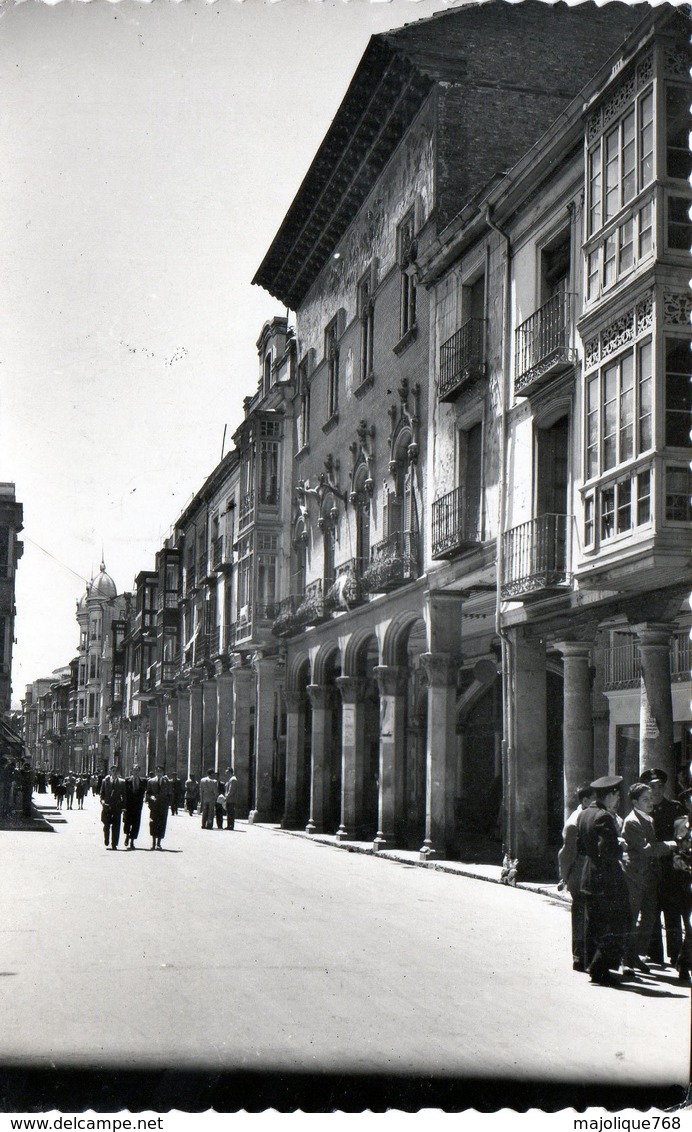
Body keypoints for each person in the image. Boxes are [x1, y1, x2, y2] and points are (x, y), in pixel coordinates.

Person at [576, 775, 631, 984]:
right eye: (616, 796)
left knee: (594, 924)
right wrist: (620, 847)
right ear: (609, 795)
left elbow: (581, 847)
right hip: (606, 878)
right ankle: (601, 966)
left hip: (589, 875)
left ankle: (593, 966)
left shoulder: (585, 814)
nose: (617, 801)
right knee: (617, 921)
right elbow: (606, 850)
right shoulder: (604, 817)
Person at [621, 782, 677, 974]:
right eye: (645, 799)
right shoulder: (632, 822)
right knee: (633, 917)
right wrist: (668, 845)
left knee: (650, 918)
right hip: (635, 877)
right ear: (635, 802)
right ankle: (627, 961)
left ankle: (636, 954)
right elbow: (645, 849)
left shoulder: (647, 818)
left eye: (651, 798)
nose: (650, 802)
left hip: (649, 877)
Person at [640, 768, 685, 967]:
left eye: (659, 787)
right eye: (652, 787)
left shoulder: (675, 808)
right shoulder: (642, 811)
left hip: (670, 869)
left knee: (673, 912)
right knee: (652, 911)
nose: (656, 791)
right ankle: (654, 954)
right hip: (651, 868)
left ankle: (675, 954)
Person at [558, 782, 595, 971]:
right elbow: (566, 853)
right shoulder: (575, 821)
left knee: (588, 915)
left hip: (588, 871)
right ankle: (579, 956)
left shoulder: (589, 815)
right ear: (586, 800)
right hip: (580, 872)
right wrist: (565, 877)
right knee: (581, 916)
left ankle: (587, 956)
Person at [671, 789, 692, 981]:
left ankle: (684, 961)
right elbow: (674, 851)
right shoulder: (679, 823)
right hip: (686, 883)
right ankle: (684, 963)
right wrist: (679, 861)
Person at [99, 763, 126, 850]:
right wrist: (103, 803)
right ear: (110, 772)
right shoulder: (105, 781)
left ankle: (114, 843)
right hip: (107, 807)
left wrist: (123, 807)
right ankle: (106, 838)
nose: (114, 772)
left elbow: (124, 796)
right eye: (113, 771)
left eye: (116, 771)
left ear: (118, 772)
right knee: (106, 825)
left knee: (116, 826)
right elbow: (102, 795)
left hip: (116, 807)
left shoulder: (122, 782)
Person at [146, 764, 172, 850]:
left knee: (162, 823)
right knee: (153, 823)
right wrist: (151, 798)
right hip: (154, 806)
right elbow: (148, 793)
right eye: (158, 771)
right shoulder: (151, 781)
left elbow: (170, 794)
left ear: (163, 772)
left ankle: (159, 843)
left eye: (161, 771)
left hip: (163, 806)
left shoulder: (167, 782)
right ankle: (153, 842)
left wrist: (168, 803)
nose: (159, 773)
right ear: (156, 772)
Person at [123, 762, 147, 850]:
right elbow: (124, 793)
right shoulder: (127, 780)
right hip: (129, 805)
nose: (135, 772)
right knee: (127, 822)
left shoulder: (143, 781)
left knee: (136, 824)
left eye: (137, 770)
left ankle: (132, 841)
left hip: (138, 806)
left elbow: (146, 792)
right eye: (134, 770)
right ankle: (127, 835)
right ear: (132, 771)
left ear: (139, 771)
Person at [224, 767, 238, 831]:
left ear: (229, 772)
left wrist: (226, 797)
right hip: (229, 799)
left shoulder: (233, 779)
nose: (225, 772)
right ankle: (229, 825)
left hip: (231, 800)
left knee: (230, 813)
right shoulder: (230, 779)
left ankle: (231, 825)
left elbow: (231, 791)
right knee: (229, 813)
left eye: (226, 771)